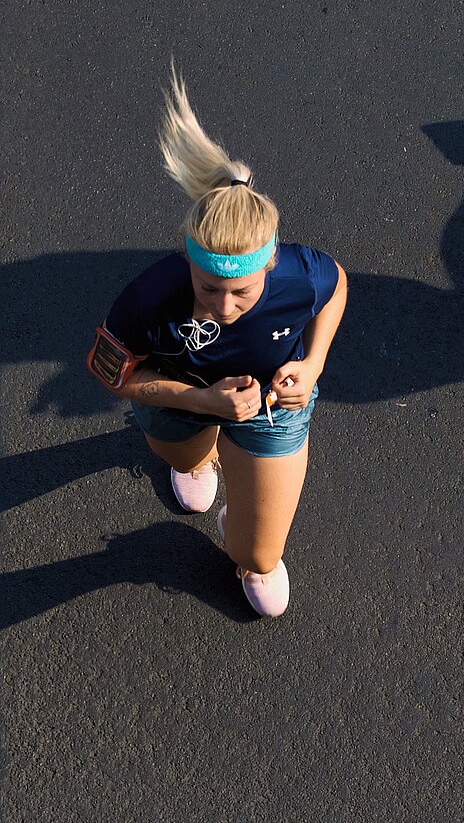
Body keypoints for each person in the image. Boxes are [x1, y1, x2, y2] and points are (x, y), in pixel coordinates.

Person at [87, 71, 349, 617]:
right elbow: (113, 376)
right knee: (185, 457)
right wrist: (202, 403)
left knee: (258, 554)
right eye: (208, 289)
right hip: (181, 405)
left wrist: (314, 362)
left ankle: (248, 541)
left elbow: (336, 286)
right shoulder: (145, 299)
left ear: (270, 267)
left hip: (272, 411)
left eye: (242, 293)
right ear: (188, 261)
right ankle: (201, 460)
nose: (224, 308)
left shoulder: (300, 275)